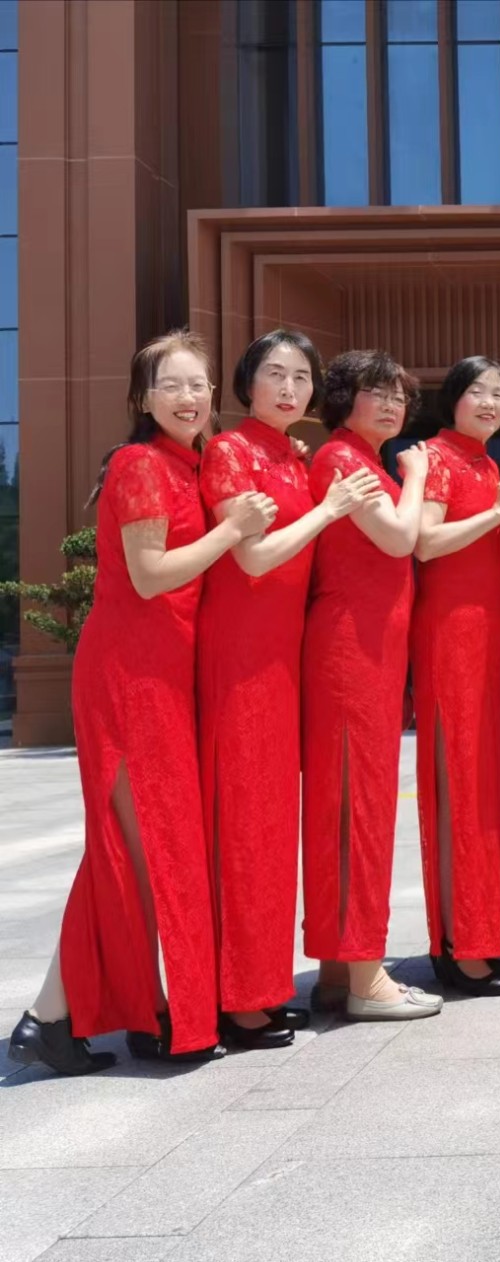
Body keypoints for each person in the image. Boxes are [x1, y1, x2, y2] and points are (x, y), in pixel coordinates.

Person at [8, 331, 275, 1074]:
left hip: (168, 675)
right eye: (171, 385)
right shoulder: (139, 465)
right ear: (142, 397)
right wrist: (234, 529)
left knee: (141, 847)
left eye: (199, 385)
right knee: (140, 847)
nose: (189, 398)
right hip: (129, 675)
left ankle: (96, 1013)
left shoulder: (190, 464)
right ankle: (67, 1015)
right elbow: (151, 574)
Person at [200, 330, 384, 1050]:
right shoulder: (229, 451)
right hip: (242, 655)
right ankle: (239, 998)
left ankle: (264, 985)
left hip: (286, 659)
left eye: (301, 377)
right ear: (246, 384)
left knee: (276, 829)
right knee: (247, 824)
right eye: (274, 374)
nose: (289, 388)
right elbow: (253, 557)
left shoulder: (292, 456)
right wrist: (330, 509)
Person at [301, 350, 442, 1020]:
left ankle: (338, 969)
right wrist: (418, 475)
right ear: (343, 399)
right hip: (350, 653)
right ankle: (366, 977)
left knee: (347, 804)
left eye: (399, 395)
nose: (391, 405)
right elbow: (399, 538)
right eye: (376, 392)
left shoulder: (360, 461)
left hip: (366, 653)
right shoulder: (344, 460)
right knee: (359, 805)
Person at [412, 357, 500, 997]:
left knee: (486, 786)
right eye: (477, 391)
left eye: (498, 393)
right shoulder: (435, 458)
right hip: (452, 635)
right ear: (452, 399)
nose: (489, 402)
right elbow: (425, 542)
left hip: (490, 634)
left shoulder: (484, 464)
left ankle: (484, 929)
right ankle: (457, 942)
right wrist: (498, 512)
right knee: (459, 783)